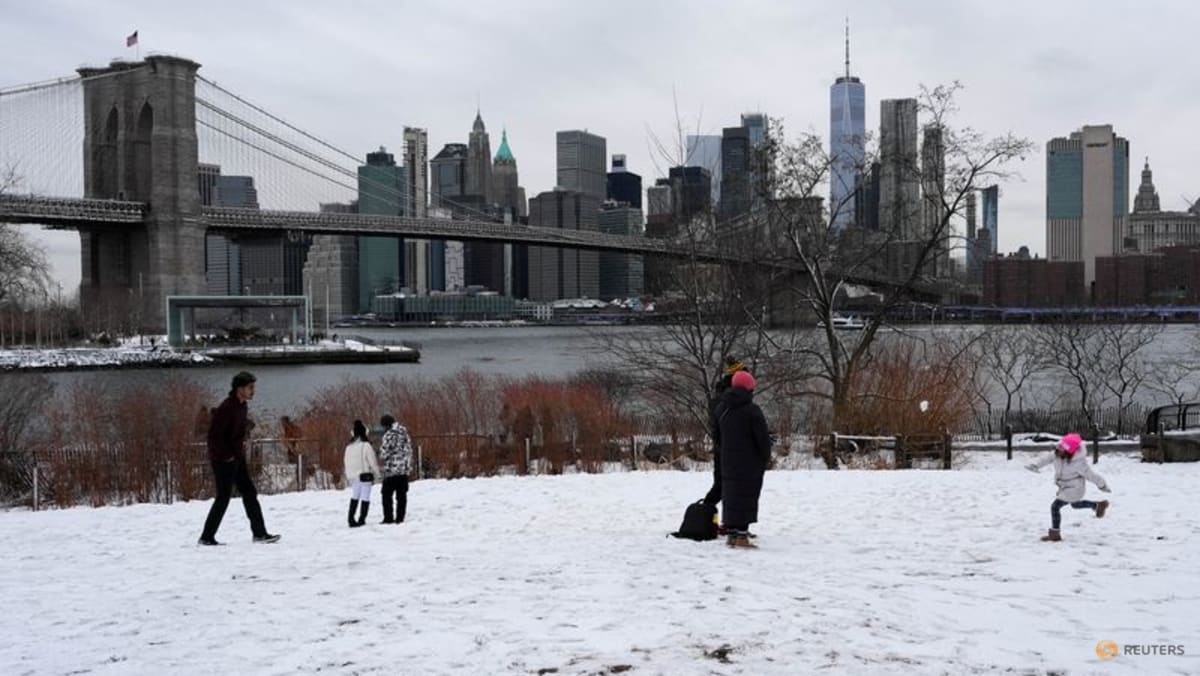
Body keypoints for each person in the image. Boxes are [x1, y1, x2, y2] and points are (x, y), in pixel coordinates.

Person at [198, 371, 281, 545]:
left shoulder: (242, 406)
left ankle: (259, 534)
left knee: (250, 493)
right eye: (250, 387)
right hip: (223, 460)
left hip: (237, 457)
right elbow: (214, 437)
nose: (254, 391)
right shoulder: (226, 407)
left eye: (253, 387)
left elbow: (237, 429)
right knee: (223, 498)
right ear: (239, 389)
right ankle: (206, 537)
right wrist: (226, 456)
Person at [714, 370, 772, 549]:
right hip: (749, 461)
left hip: (728, 460)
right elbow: (762, 438)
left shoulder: (721, 408)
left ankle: (732, 534)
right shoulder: (752, 410)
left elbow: (716, 435)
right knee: (747, 496)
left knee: (731, 495)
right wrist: (765, 455)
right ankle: (741, 536)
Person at [1025, 432, 1111, 542]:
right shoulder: (1056, 454)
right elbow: (1045, 459)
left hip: (1076, 489)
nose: (1059, 449)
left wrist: (1102, 485)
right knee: (1075, 505)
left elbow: (1091, 476)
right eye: (1060, 446)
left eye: (1063, 448)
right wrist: (1035, 465)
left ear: (1070, 452)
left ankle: (1055, 534)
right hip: (1065, 487)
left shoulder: (1079, 463)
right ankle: (1098, 505)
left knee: (1055, 507)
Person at [701, 356, 746, 532]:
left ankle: (714, 519)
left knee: (723, 487)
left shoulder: (722, 397)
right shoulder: (728, 400)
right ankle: (707, 516)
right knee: (722, 487)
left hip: (725, 450)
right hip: (728, 451)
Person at [378, 414, 415, 524]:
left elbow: (384, 453)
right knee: (401, 495)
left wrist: (380, 455)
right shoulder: (405, 433)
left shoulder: (389, 435)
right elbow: (409, 451)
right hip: (403, 470)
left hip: (392, 470)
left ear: (386, 425)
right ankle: (400, 518)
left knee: (386, 495)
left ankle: (388, 518)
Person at [344, 420, 381, 528]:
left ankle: (351, 518)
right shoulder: (366, 445)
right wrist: (377, 474)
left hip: (352, 476)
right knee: (365, 496)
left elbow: (345, 461)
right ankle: (362, 519)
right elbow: (372, 462)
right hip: (364, 476)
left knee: (355, 495)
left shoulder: (348, 447)